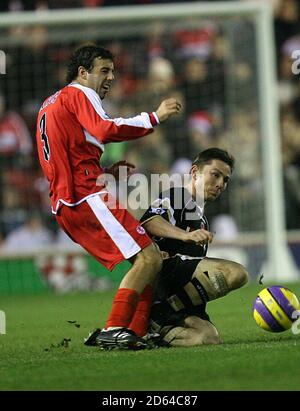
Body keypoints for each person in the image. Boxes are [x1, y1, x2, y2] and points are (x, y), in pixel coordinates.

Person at [35, 44, 181, 350]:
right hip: (86, 196)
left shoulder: (49, 105)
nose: (111, 77)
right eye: (104, 70)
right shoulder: (79, 93)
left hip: (67, 202)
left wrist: (100, 170)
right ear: (83, 72)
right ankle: (115, 328)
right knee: (149, 257)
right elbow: (103, 130)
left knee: (149, 258)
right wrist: (153, 117)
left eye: (113, 71)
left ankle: (135, 332)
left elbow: (68, 151)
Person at [139, 148, 249, 347]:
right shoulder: (179, 196)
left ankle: (152, 334)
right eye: (215, 175)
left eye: (225, 180)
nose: (220, 184)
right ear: (195, 173)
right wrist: (185, 235)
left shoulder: (203, 219)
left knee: (208, 337)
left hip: (182, 295)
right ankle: (161, 312)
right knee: (235, 273)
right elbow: (149, 221)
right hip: (166, 278)